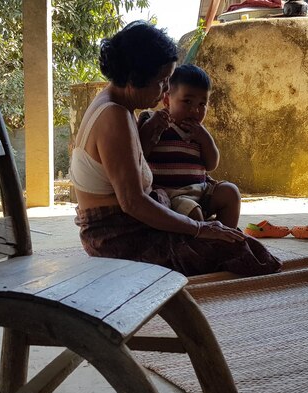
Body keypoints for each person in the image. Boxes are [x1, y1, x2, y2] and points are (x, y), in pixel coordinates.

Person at [69, 20, 281, 277]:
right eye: (162, 81)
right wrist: (198, 228)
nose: (166, 90)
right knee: (240, 250)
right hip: (117, 238)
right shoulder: (114, 117)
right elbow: (133, 203)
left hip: (127, 225)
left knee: (229, 239)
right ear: (136, 78)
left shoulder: (115, 105)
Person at [138, 64, 241, 228]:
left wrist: (205, 139)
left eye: (202, 104)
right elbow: (139, 155)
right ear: (166, 100)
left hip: (201, 191)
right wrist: (151, 128)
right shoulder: (153, 121)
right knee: (193, 212)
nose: (195, 110)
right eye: (187, 101)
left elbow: (211, 164)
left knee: (231, 192)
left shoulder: (199, 132)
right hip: (171, 196)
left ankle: (226, 236)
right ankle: (203, 240)